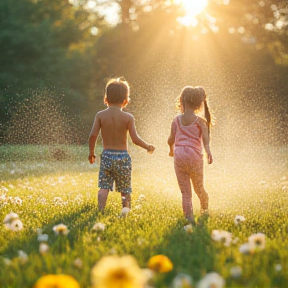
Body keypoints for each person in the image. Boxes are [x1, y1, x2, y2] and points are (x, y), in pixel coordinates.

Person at [88, 77, 155, 214]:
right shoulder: (128, 117)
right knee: (125, 188)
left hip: (107, 155)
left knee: (104, 187)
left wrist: (91, 152)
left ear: (106, 98)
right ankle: (126, 210)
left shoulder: (100, 115)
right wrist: (147, 146)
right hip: (123, 157)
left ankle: (100, 210)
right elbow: (135, 139)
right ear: (125, 100)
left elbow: (93, 136)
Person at [167, 86, 213, 224]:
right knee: (199, 189)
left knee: (186, 193)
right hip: (195, 157)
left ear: (181, 101)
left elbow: (171, 139)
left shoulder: (176, 120)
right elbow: (206, 141)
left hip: (179, 156)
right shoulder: (201, 122)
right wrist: (208, 151)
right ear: (199, 103)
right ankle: (204, 210)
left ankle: (189, 218)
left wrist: (170, 149)